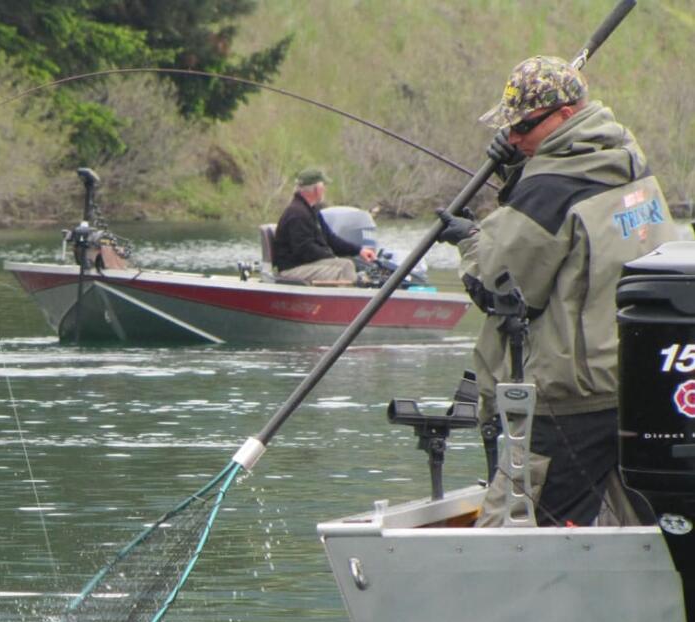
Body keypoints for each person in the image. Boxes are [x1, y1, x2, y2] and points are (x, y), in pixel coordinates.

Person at [436, 55, 681, 527]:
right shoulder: (630, 161)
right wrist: (519, 174)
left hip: (572, 399)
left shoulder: (549, 190)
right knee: (637, 528)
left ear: (565, 117)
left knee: (514, 531)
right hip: (642, 382)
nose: (512, 138)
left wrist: (469, 239)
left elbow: (497, 285)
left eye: (523, 126)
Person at [271, 167, 376, 284]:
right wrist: (331, 257)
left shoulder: (311, 210)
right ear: (316, 189)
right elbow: (305, 250)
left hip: (305, 264)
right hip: (291, 270)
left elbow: (330, 239)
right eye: (323, 185)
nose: (325, 189)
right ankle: (351, 300)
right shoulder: (297, 214)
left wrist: (359, 250)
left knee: (347, 262)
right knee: (345, 266)